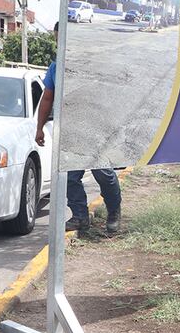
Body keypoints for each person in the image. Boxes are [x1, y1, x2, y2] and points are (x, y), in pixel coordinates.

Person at [35, 22, 122, 233]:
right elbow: (47, 98)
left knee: (103, 174)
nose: (59, 43)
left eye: (62, 38)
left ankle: (114, 211)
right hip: (71, 131)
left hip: (96, 128)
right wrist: (39, 127)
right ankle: (80, 217)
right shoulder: (56, 67)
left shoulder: (94, 64)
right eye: (57, 39)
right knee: (70, 177)